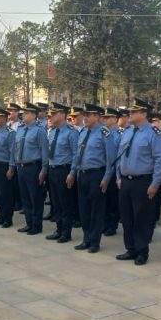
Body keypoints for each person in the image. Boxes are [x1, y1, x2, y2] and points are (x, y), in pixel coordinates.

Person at [115, 99, 161, 265]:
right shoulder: (128, 131)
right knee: (126, 217)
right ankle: (130, 249)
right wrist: (118, 176)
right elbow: (120, 155)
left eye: (135, 111)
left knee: (141, 218)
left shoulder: (154, 134)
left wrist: (155, 183)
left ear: (144, 114)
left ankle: (141, 251)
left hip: (143, 181)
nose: (130, 114)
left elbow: (160, 160)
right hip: (125, 181)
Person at [69, 103, 115, 254]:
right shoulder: (83, 132)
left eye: (88, 115)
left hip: (97, 175)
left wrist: (107, 177)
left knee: (96, 210)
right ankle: (86, 238)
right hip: (82, 174)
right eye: (84, 115)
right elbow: (77, 156)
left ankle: (95, 242)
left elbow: (111, 159)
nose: (85, 118)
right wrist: (73, 173)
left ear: (97, 117)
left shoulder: (104, 133)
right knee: (84, 209)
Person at [10, 102, 49, 235]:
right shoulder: (20, 129)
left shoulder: (39, 131)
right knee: (25, 197)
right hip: (21, 166)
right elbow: (15, 150)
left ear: (34, 115)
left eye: (26, 113)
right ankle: (29, 223)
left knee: (35, 197)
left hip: (33, 167)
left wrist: (43, 170)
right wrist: (13, 166)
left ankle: (37, 225)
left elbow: (44, 152)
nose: (23, 115)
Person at [45, 102, 79, 243]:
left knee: (66, 203)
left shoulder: (72, 132)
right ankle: (58, 229)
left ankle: (66, 232)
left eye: (54, 114)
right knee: (56, 203)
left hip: (64, 170)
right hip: (52, 170)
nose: (51, 116)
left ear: (62, 115)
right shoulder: (52, 131)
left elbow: (76, 154)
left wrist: (72, 173)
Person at [101, 107, 121, 236]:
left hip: (113, 171)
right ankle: (105, 223)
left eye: (108, 118)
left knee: (113, 199)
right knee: (104, 199)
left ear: (114, 119)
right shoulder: (104, 133)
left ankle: (112, 225)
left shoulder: (119, 134)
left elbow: (117, 156)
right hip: (104, 169)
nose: (105, 120)